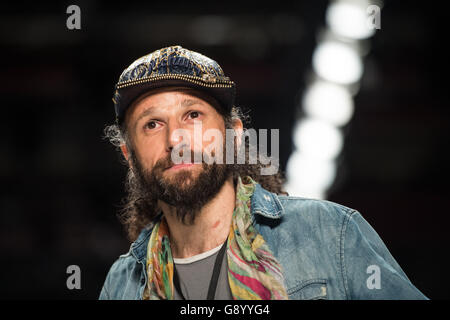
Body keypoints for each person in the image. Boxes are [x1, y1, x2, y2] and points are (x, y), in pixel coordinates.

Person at [99, 45, 427, 300]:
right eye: (152, 124)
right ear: (129, 155)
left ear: (234, 135)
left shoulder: (330, 233)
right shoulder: (122, 282)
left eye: (193, 115)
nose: (175, 139)